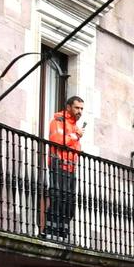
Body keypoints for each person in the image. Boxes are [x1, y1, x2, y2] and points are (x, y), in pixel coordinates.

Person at [45, 93, 84, 238]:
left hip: (71, 168)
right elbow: (56, 140)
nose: (79, 111)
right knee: (57, 198)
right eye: (77, 108)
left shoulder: (74, 126)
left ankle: (63, 232)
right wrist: (76, 136)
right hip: (58, 164)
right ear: (68, 107)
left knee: (69, 202)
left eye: (81, 109)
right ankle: (50, 231)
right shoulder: (58, 120)